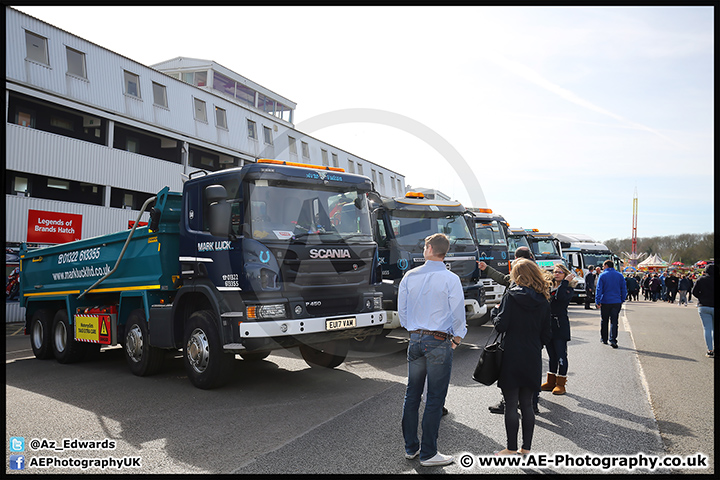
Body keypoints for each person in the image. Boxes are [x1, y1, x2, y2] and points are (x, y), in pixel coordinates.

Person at [399, 233, 466, 467]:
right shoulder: (450, 278)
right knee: (435, 398)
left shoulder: (409, 276)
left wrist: (413, 330)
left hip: (415, 339)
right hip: (439, 340)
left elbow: (403, 312)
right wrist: (457, 339)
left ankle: (411, 448)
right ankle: (429, 453)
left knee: (412, 394)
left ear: (429, 248)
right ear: (444, 252)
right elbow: (458, 315)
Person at [492, 258, 552, 455]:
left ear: (517, 276)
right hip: (532, 353)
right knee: (527, 404)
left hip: (511, 352)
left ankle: (510, 448)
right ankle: (526, 449)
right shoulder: (544, 299)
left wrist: (495, 313)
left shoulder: (511, 296)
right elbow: (547, 334)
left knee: (511, 403)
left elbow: (502, 325)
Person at [478, 246, 537, 415]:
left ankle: (509, 403)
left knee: (510, 373)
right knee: (529, 372)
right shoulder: (538, 281)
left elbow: (501, 324)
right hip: (532, 339)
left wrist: (495, 313)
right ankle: (531, 403)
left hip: (514, 338)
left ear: (518, 259)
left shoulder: (515, 287)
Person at [541, 264, 575, 395]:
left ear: (565, 274)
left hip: (560, 325)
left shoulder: (568, 289)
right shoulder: (549, 287)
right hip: (548, 324)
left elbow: (560, 297)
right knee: (551, 355)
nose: (556, 274)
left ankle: (561, 383)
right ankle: (551, 381)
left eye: (560, 272)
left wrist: (566, 282)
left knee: (561, 355)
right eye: (555, 272)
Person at [595, 260, 627, 349]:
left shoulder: (602, 276)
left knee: (604, 320)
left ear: (606, 265)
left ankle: (604, 338)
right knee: (614, 321)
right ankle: (613, 339)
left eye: (603, 266)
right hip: (616, 301)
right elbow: (623, 288)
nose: (602, 267)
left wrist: (597, 301)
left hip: (605, 301)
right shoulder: (620, 276)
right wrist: (622, 299)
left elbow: (599, 289)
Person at [692, 264, 714, 358]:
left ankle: (710, 350)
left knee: (707, 328)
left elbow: (694, 292)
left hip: (704, 305)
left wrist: (701, 297)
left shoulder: (701, 279)